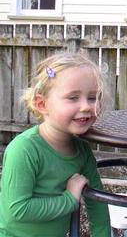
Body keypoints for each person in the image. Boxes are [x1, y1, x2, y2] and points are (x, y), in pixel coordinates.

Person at [0, 52, 111, 237]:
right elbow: (17, 211)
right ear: (42, 104)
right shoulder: (24, 149)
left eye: (92, 97)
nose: (86, 106)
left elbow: (97, 203)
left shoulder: (82, 150)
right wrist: (69, 199)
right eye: (73, 98)